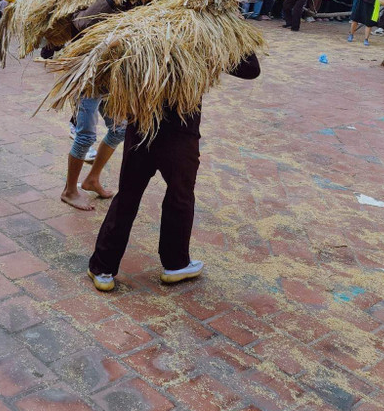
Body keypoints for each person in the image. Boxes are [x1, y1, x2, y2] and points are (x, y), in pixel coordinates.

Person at [87, 47, 261, 292]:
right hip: (171, 127)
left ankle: (104, 266)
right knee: (174, 195)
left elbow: (251, 69)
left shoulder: (157, 22)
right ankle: (174, 264)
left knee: (134, 195)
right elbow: (251, 68)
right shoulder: (195, 32)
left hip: (148, 124)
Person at [61, 0, 129, 211]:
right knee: (86, 135)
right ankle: (70, 190)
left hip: (109, 75)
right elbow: (79, 23)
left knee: (120, 128)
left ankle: (92, 179)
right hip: (86, 76)